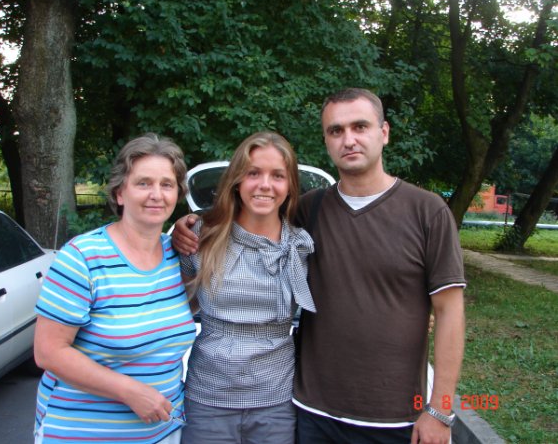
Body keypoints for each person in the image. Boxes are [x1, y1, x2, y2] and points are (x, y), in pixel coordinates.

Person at [173, 88, 466, 444]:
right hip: (311, 411)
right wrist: (190, 224)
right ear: (326, 140)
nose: (349, 140)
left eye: (360, 126)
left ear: (384, 132)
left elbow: (450, 311)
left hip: (394, 416)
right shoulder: (309, 211)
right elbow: (249, 217)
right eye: (336, 130)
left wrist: (440, 409)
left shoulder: (427, 211)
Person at [33, 133, 196, 444]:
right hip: (83, 433)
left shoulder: (177, 256)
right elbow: (48, 352)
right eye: (144, 183)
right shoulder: (82, 257)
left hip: (164, 432)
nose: (156, 194)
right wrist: (129, 391)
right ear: (120, 193)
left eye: (167, 184)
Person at [179, 131, 316, 444]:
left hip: (276, 401)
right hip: (208, 398)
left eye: (277, 176)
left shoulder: (301, 245)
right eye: (253, 173)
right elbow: (177, 308)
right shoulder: (201, 236)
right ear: (237, 180)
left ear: (290, 185)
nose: (265, 185)